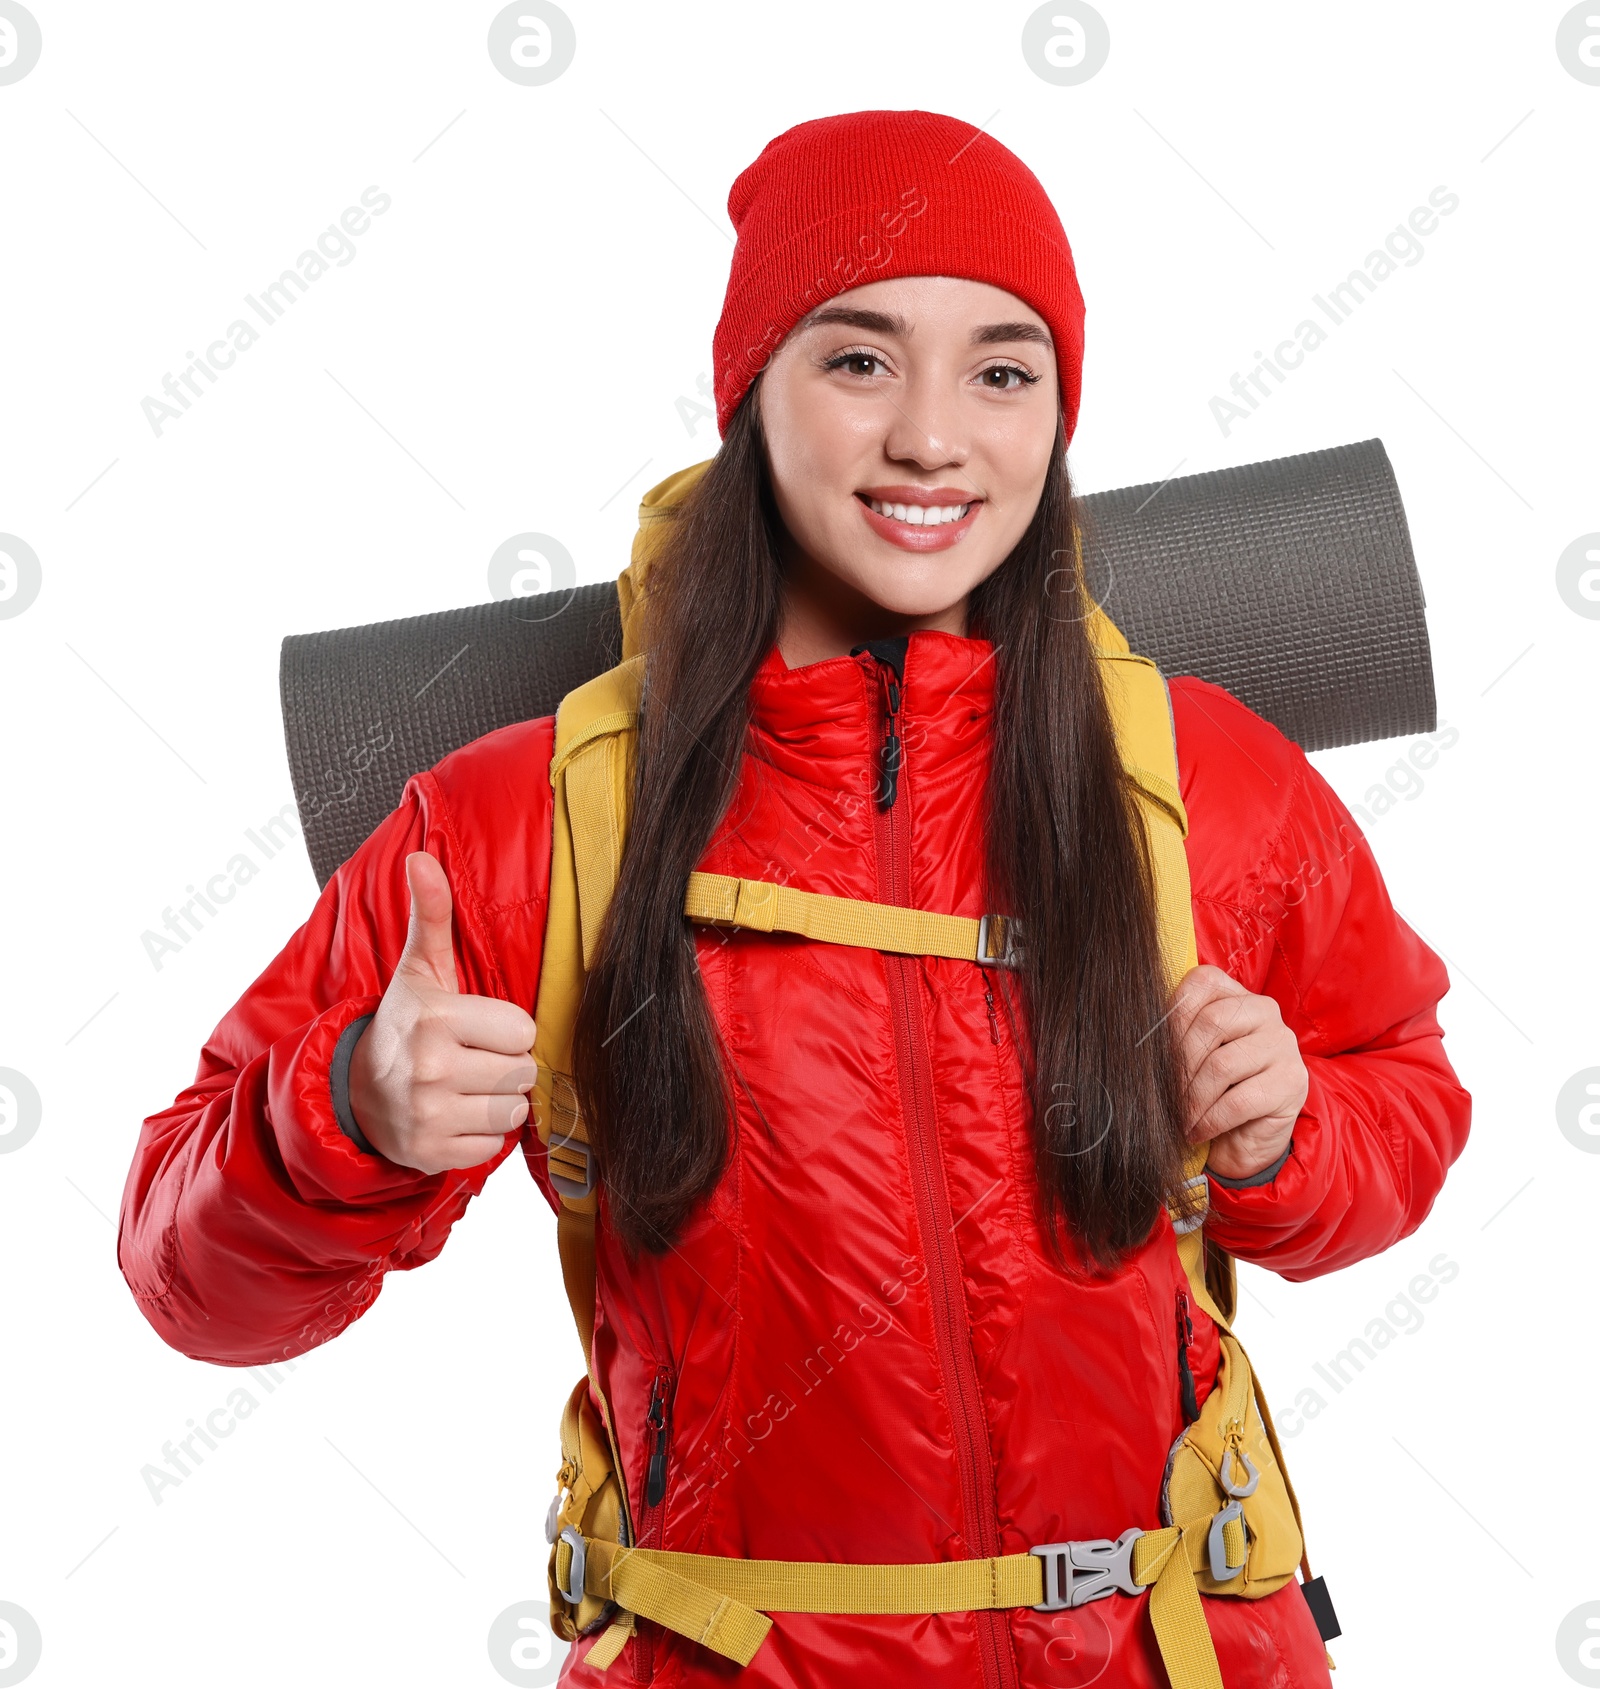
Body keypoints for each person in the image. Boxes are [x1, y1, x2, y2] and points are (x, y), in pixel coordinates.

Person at [117, 110, 1471, 1688]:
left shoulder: (1195, 779)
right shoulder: (527, 818)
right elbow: (182, 1274)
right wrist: (341, 1111)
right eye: (857, 360)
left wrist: (1295, 1127)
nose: (933, 438)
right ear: (751, 393)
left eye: (1003, 369)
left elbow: (1411, 1105)